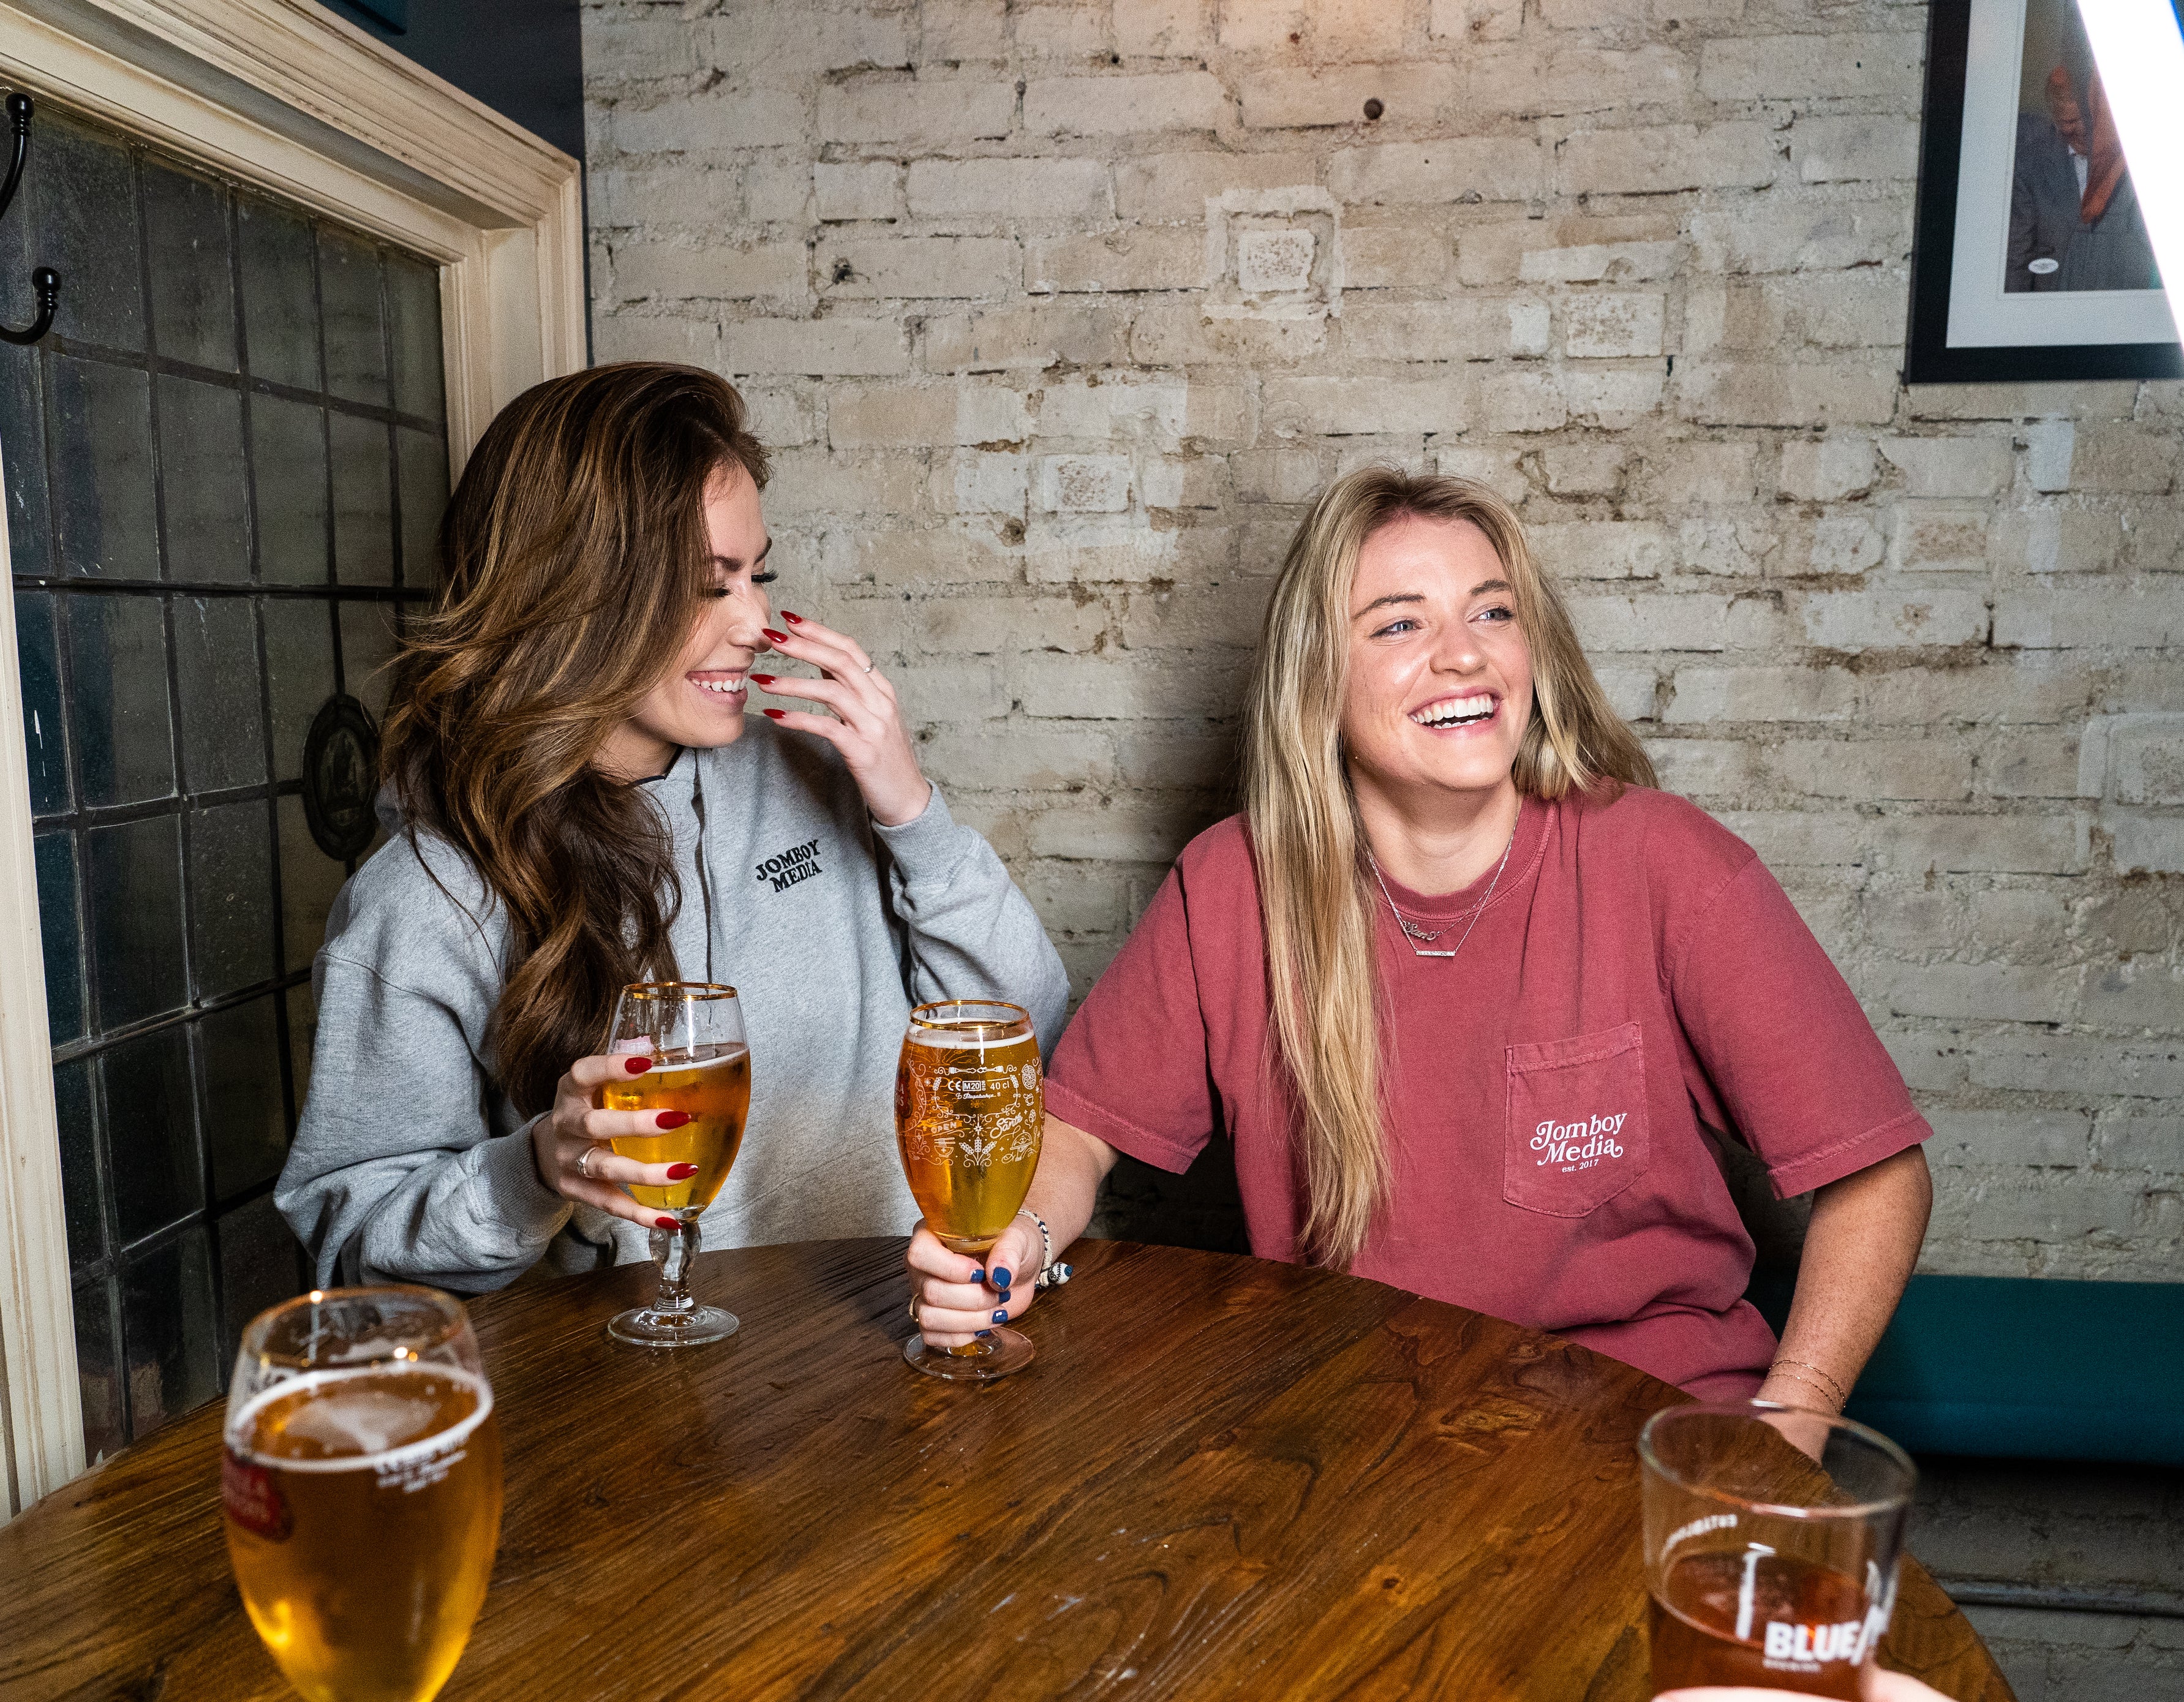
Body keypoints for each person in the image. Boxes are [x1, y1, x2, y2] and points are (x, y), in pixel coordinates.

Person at [909, 468, 1933, 1413]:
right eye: (1400, 623)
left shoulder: (1666, 864)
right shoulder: (1233, 882)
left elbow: (1879, 1176)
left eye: (1493, 610)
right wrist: (1019, 1240)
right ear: (1317, 678)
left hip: (1637, 1434)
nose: (1465, 652)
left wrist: (1785, 1426)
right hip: (1357, 1435)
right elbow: (1080, 1130)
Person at [277, 363, 1068, 1289]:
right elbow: (348, 1244)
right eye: (709, 584)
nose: (755, 621)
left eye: (758, 574)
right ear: (572, 594)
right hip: (647, 1405)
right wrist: (530, 1170)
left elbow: (1035, 1040)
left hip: (893, 1346)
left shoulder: (818, 777)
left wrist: (912, 812)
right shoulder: (425, 895)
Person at [2006, 62, 2159, 293]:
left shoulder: (2140, 159)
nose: (2069, 131)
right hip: (2052, 304)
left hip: (2122, 305)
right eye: (2062, 122)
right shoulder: (2031, 164)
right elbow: (2018, 253)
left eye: (2077, 121)